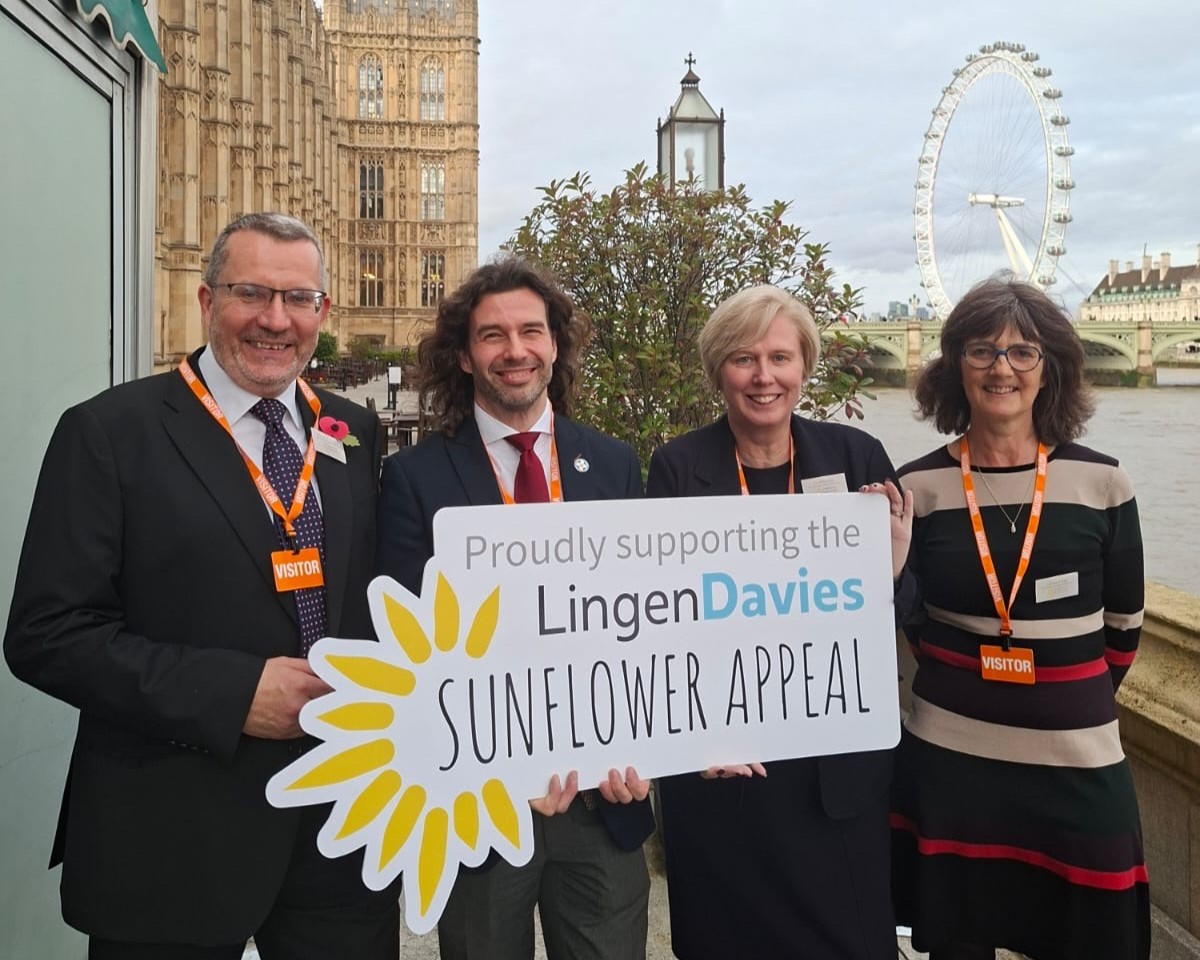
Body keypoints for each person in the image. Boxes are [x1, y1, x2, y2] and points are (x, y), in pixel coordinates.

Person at [4, 213, 397, 959]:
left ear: (323, 313)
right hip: (171, 834)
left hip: (338, 829)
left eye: (298, 298)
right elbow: (46, 636)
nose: (275, 320)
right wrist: (232, 693)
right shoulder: (110, 433)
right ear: (207, 300)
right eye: (253, 293)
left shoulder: (348, 428)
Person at [375, 256, 655, 960]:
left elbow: (648, 628)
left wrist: (653, 745)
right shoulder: (413, 478)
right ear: (465, 357)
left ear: (555, 345)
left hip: (604, 800)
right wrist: (499, 770)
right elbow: (410, 650)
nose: (515, 350)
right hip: (481, 805)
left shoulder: (615, 464)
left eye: (531, 331)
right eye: (492, 336)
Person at [646, 284, 915, 960]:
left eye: (779, 357)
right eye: (743, 359)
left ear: (804, 367)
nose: (763, 377)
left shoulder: (856, 459)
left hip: (834, 779)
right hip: (727, 769)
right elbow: (658, 623)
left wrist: (887, 574)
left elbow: (906, 612)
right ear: (718, 372)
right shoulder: (678, 468)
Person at [890, 278, 1150, 960]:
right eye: (981, 350)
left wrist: (1067, 696)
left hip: (1077, 763)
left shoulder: (1104, 484)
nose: (1001, 367)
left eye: (1022, 352)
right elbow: (913, 617)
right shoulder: (915, 489)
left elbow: (1124, 628)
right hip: (952, 762)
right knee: (959, 942)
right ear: (955, 367)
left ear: (1050, 369)